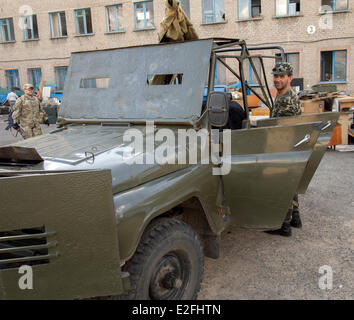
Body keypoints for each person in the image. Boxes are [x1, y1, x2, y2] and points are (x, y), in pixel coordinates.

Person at [266, 62, 302, 237]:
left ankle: (284, 225)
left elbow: (283, 130)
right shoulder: (284, 95)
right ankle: (295, 217)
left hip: (284, 147)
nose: (277, 79)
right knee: (290, 182)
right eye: (275, 76)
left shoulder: (287, 99)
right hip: (289, 146)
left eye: (281, 76)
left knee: (282, 184)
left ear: (290, 78)